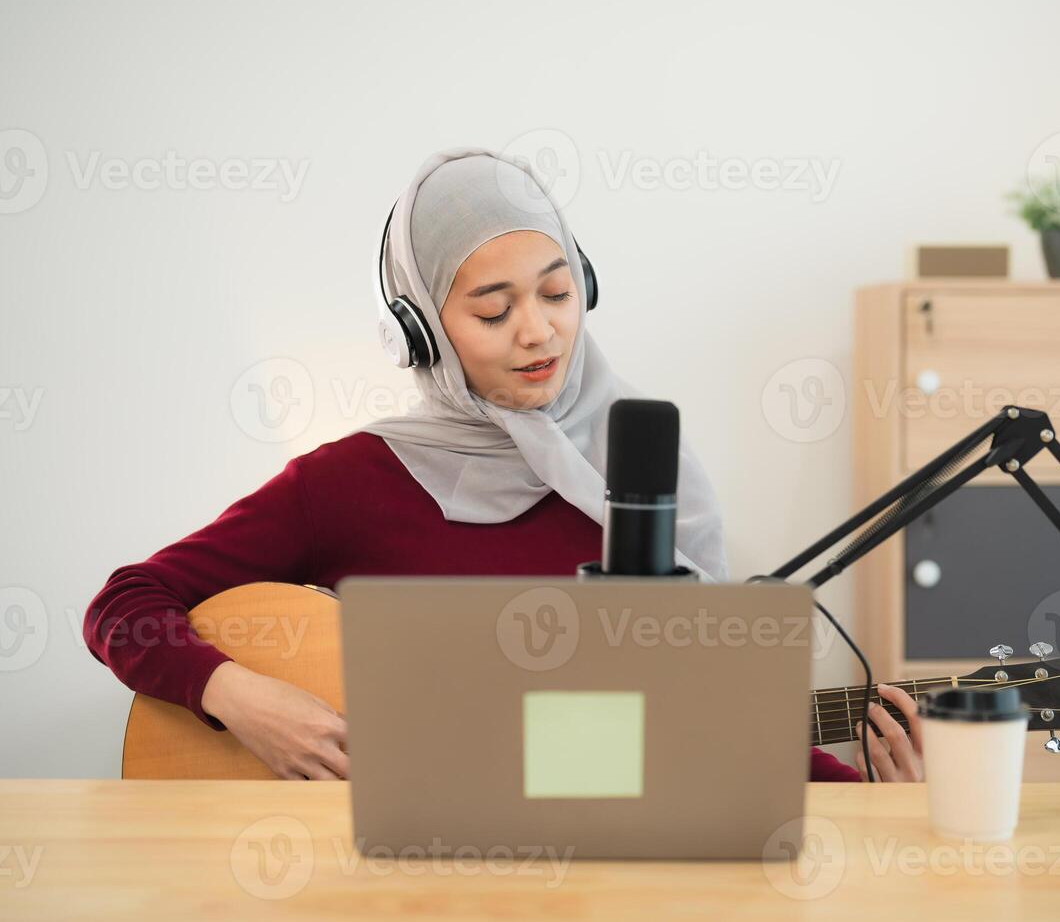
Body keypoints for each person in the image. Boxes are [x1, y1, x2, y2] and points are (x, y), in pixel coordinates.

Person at [83, 147, 924, 783]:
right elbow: (125, 604)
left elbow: (696, 743)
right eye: (494, 309)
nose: (539, 333)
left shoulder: (643, 480)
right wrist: (240, 697)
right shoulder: (349, 483)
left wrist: (872, 800)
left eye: (558, 295)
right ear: (422, 331)